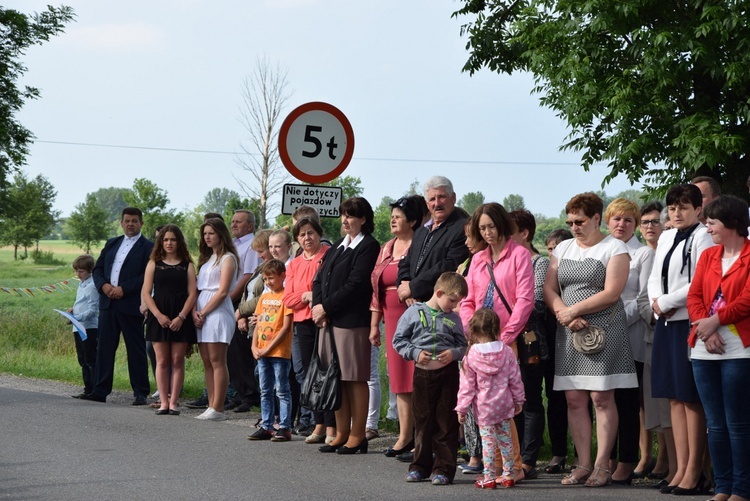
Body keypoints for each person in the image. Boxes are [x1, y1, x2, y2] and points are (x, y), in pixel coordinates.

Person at [543, 192, 637, 487]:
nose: (574, 226)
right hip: (569, 330)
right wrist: (564, 314)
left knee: (601, 397)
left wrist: (575, 310)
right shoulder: (563, 248)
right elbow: (549, 288)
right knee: (574, 398)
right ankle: (582, 463)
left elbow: (612, 292)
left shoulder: (615, 247)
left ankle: (602, 465)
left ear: (597, 218)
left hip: (604, 330)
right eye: (570, 221)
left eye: (580, 221)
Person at [647, 184, 714, 494]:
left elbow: (699, 280)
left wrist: (668, 301)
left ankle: (694, 472)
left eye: (684, 207)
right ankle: (680, 469)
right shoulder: (667, 237)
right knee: (673, 395)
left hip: (688, 320)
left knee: (690, 396)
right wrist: (655, 301)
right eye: (672, 208)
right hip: (665, 320)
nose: (677, 212)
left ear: (699, 209)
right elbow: (653, 277)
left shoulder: (702, 237)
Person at [459, 203, 534, 481]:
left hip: (505, 339)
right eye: (482, 228)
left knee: (505, 404)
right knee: (483, 402)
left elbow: (525, 300)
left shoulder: (520, 255)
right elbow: (467, 299)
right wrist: (472, 331)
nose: (487, 233)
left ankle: (513, 466)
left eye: (491, 226)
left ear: (502, 224)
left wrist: (505, 338)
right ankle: (493, 466)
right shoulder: (478, 259)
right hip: (478, 341)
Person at [688, 195, 750, 501]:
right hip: (704, 349)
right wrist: (705, 326)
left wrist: (715, 321)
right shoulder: (708, 257)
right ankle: (722, 487)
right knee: (715, 423)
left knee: (737, 422)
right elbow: (694, 296)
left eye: (712, 222)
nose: (707, 227)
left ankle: (742, 488)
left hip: (740, 348)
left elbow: (748, 300)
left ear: (732, 224)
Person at [312, 197, 379, 454]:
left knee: (354, 378)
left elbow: (357, 284)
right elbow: (320, 279)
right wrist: (319, 307)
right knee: (336, 379)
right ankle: (340, 433)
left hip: (352, 322)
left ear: (363, 219)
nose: (345, 220)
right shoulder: (338, 245)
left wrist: (326, 307)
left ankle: (358, 434)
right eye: (343, 215)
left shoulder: (369, 246)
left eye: (350, 215)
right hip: (328, 321)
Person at [393, 272, 468, 485]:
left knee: (446, 421)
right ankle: (420, 466)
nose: (453, 306)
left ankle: (444, 469)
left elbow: (463, 346)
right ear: (439, 292)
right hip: (423, 375)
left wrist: (453, 354)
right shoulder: (413, 313)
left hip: (448, 374)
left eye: (457, 303)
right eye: (452, 300)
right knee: (423, 420)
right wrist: (416, 353)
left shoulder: (453, 318)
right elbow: (398, 340)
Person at [603, 198, 655, 484]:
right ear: (607, 222)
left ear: (635, 225)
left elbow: (642, 298)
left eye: (628, 220)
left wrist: (613, 320)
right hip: (600, 337)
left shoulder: (643, 254)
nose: (621, 224)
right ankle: (605, 459)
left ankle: (626, 461)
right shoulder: (602, 251)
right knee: (601, 400)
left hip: (629, 335)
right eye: (616, 219)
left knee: (626, 402)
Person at [370, 195, 424, 457]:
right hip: (390, 315)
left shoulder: (421, 244)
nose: (392, 219)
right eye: (392, 215)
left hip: (416, 315)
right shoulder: (386, 247)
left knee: (419, 376)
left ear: (413, 221)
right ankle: (404, 437)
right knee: (400, 378)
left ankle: (421, 437)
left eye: (398, 216)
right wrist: (374, 324)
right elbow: (376, 287)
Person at [82, 207, 154, 404]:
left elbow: (147, 276)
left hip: (130, 305)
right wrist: (104, 286)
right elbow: (97, 269)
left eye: (134, 221)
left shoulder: (148, 247)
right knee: (104, 348)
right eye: (127, 220)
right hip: (108, 304)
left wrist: (124, 289)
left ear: (141, 223)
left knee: (136, 349)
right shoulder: (112, 243)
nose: (130, 224)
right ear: (121, 223)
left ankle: (140, 392)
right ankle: (100, 390)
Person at [507, 209, 557, 479]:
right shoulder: (503, 261)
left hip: (530, 341)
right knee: (509, 401)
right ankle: (511, 455)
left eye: (509, 231)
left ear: (524, 233)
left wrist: (509, 313)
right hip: (505, 341)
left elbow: (536, 302)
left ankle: (528, 459)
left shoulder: (539, 264)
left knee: (530, 400)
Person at [455, 308, 525, 489]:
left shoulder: (471, 356)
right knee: (506, 441)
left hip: (484, 408)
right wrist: (519, 400)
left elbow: (467, 387)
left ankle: (489, 477)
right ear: (497, 330)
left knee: (488, 443)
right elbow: (515, 379)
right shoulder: (507, 352)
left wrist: (462, 409)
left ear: (474, 332)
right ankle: (509, 475)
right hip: (504, 405)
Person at [282, 216, 334, 444]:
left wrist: (317, 297)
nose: (307, 238)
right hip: (303, 322)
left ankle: (331, 424)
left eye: (310, 232)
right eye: (302, 234)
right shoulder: (294, 263)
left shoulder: (328, 255)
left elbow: (330, 288)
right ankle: (318, 422)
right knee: (309, 374)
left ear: (319, 233)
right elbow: (288, 298)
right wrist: (307, 295)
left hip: (324, 320)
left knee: (328, 372)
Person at [637, 201, 675, 485]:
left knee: (675, 404)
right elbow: (642, 300)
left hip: (676, 332)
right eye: (645, 222)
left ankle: (674, 464)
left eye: (655, 221)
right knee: (653, 405)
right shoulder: (643, 255)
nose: (651, 227)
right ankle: (663, 460)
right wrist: (656, 311)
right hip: (652, 332)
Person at [141, 224, 197, 415]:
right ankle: (163, 402)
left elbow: (192, 293)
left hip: (180, 316)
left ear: (179, 241)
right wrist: (158, 315)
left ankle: (174, 402)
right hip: (159, 315)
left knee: (177, 360)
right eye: (165, 240)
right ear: (160, 242)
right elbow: (146, 293)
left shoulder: (187, 265)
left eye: (173, 239)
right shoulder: (153, 263)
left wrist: (182, 316)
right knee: (162, 361)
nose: (169, 243)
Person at [193, 218, 240, 421]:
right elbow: (197, 288)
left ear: (221, 234)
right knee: (206, 361)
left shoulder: (228, 258)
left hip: (218, 312)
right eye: (205, 234)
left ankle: (218, 407)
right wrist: (195, 311)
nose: (207, 237)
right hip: (202, 310)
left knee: (217, 359)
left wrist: (204, 313)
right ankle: (211, 403)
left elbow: (222, 292)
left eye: (211, 233)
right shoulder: (206, 259)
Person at [398, 176, 470, 306]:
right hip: (413, 305)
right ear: (427, 204)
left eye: (442, 197)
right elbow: (406, 262)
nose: (437, 203)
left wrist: (413, 288)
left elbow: (449, 265)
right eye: (432, 199)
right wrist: (404, 283)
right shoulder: (421, 231)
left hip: (441, 308)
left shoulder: (462, 228)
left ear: (453, 198)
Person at [246, 260, 295, 442]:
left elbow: (285, 327)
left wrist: (268, 347)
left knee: (282, 390)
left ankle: (284, 426)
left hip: (279, 353)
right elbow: (259, 323)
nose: (268, 282)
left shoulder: (286, 297)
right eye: (265, 279)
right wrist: (254, 346)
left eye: (272, 278)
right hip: (262, 352)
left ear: (283, 275)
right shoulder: (264, 298)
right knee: (265, 390)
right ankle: (266, 425)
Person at [542, 228, 574, 473]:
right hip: (550, 338)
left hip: (573, 333)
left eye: (557, 248)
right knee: (555, 398)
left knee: (578, 398)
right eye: (550, 249)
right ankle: (558, 452)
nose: (553, 253)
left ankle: (581, 453)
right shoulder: (546, 275)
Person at [225, 209, 261, 414]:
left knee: (241, 351)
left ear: (250, 226)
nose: (234, 225)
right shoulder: (232, 244)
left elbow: (247, 276)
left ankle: (249, 395)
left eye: (239, 222)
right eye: (233, 221)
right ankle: (238, 394)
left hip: (240, 299)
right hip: (229, 298)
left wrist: (230, 300)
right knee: (231, 352)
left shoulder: (251, 245)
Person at [68, 254, 99, 399]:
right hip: (78, 326)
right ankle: (87, 388)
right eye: (76, 271)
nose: (78, 274)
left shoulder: (92, 286)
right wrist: (73, 311)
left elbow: (93, 310)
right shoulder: (82, 284)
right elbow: (81, 304)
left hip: (89, 327)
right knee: (82, 358)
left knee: (90, 358)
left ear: (90, 270)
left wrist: (77, 317)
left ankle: (94, 389)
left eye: (81, 271)